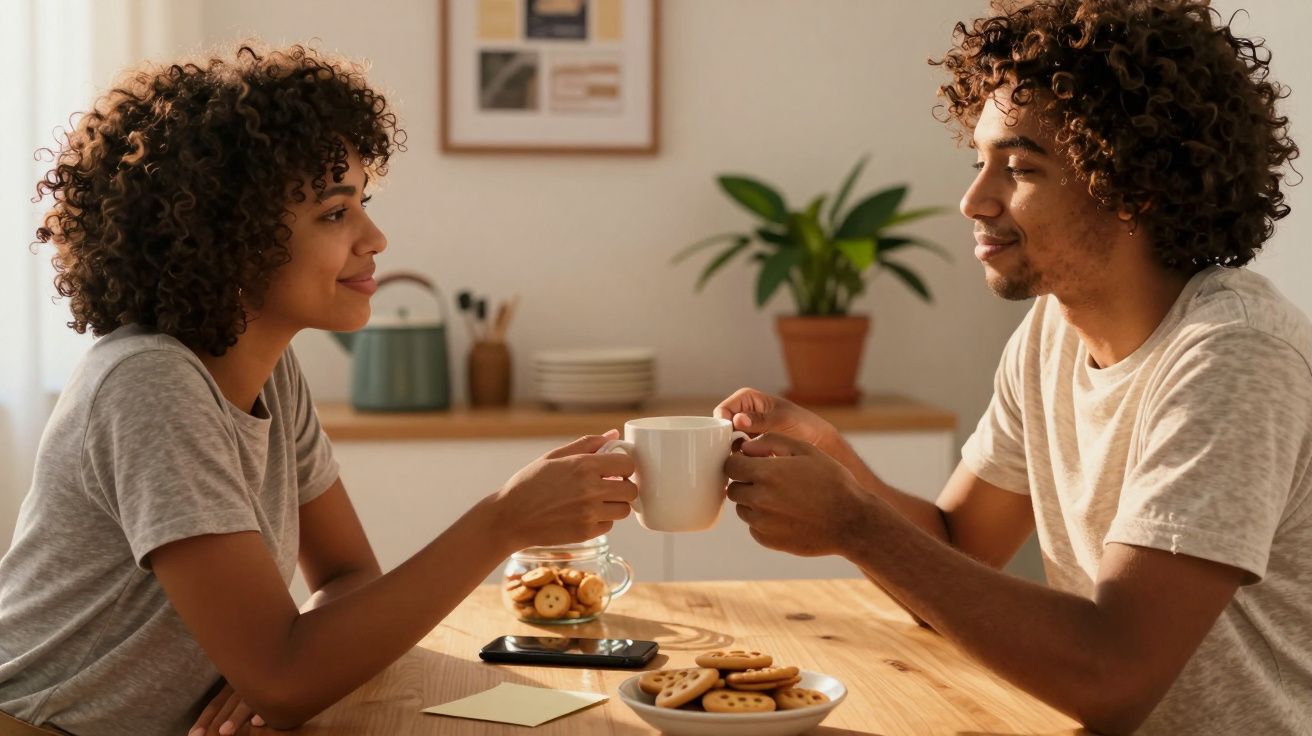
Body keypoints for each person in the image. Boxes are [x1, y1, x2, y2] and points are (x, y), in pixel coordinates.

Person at [0, 43, 637, 736]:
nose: (376, 238)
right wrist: (502, 522)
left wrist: (282, 669)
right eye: (335, 214)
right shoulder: (148, 384)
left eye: (362, 204)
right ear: (229, 237)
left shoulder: (271, 369)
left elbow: (346, 574)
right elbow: (286, 676)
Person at [716, 1, 1311, 733]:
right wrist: (831, 460)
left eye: (1022, 167)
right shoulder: (1053, 331)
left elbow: (1114, 673)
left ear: (1135, 185)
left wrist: (855, 525)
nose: (975, 199)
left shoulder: (1235, 354)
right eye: (981, 162)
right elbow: (961, 549)